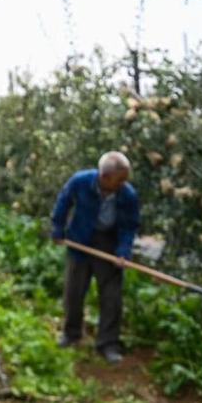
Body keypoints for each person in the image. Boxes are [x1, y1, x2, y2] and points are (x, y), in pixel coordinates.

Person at [51, 152, 140, 364]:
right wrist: (57, 229)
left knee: (111, 296)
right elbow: (63, 202)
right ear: (104, 177)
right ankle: (71, 334)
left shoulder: (127, 194)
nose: (124, 183)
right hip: (80, 238)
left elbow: (129, 226)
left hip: (109, 242)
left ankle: (108, 343)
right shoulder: (80, 182)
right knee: (74, 291)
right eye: (120, 179)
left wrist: (123, 252)